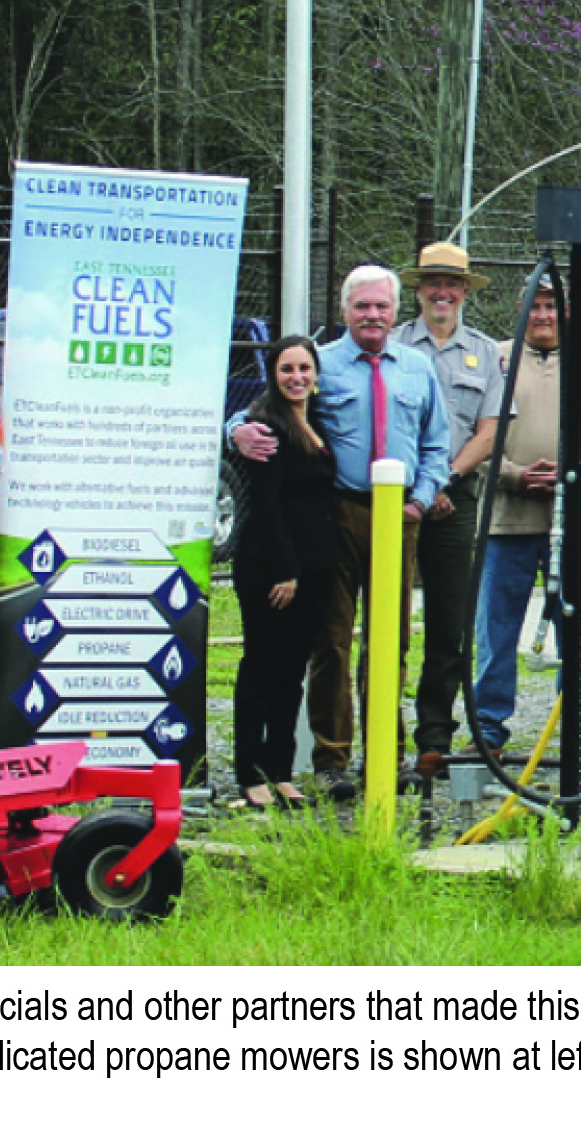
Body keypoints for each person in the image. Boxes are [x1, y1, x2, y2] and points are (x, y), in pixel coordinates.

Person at [230, 266, 453, 799]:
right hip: (337, 516)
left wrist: (421, 499)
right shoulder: (320, 363)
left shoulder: (417, 369)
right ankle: (332, 760)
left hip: (399, 515)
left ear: (396, 311)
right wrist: (233, 430)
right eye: (362, 307)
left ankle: (386, 753)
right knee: (330, 640)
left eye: (381, 307)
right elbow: (270, 409)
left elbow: (436, 443)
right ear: (345, 309)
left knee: (390, 640)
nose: (372, 316)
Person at [472, 274, 581, 759]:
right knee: (496, 629)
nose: (544, 315)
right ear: (520, 307)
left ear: (569, 310)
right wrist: (512, 475)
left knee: (575, 626)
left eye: (553, 306)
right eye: (536, 305)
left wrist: (573, 471)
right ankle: (488, 729)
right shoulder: (494, 355)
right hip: (507, 517)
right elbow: (477, 437)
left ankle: (576, 728)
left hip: (573, 520)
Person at [396, 242, 507, 780]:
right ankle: (383, 739)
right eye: (433, 282)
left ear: (465, 291)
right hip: (393, 497)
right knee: (388, 623)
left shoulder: (485, 354)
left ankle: (433, 738)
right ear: (417, 290)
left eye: (453, 284)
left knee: (448, 622)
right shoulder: (391, 345)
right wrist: (416, 487)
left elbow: (489, 431)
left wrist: (441, 481)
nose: (443, 292)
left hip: (454, 497)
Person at [231, 335, 333, 812]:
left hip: (312, 567)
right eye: (287, 369)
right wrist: (286, 571)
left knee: (292, 672)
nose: (297, 378)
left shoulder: (315, 423)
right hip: (272, 569)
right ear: (273, 373)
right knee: (262, 669)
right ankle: (249, 775)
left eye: (304, 369)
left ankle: (281, 771)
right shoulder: (265, 427)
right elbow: (268, 508)